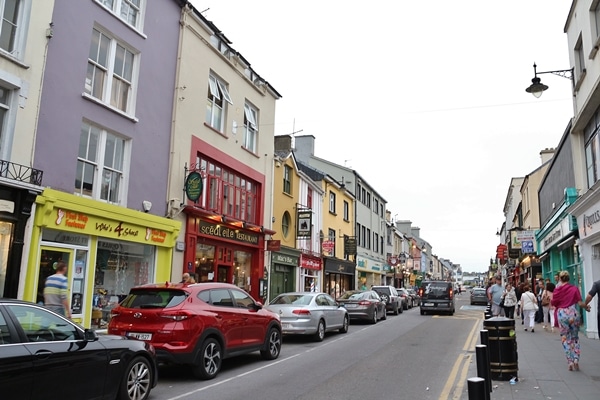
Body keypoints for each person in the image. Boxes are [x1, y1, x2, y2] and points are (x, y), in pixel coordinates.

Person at [551, 271, 589, 371]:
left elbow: (554, 303)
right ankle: (576, 358)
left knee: (565, 338)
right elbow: (580, 303)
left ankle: (570, 361)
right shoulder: (574, 289)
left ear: (560, 279)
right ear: (568, 279)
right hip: (573, 313)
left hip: (562, 314)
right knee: (575, 337)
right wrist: (586, 307)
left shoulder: (557, 290)